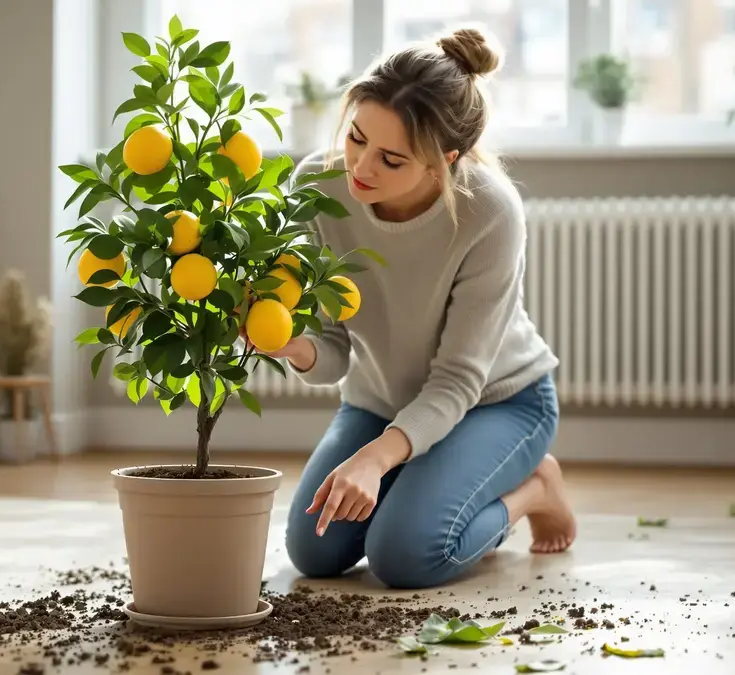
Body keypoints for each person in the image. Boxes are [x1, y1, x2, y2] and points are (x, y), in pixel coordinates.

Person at [246, 25, 576, 590]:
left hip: (497, 403)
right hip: (380, 402)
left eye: (391, 159)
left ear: (444, 160)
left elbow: (456, 381)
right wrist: (288, 345)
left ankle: (534, 490)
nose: (361, 169)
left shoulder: (489, 211)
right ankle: (419, 476)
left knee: (405, 556)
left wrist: (376, 461)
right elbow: (332, 354)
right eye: (355, 138)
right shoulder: (317, 187)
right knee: (313, 550)